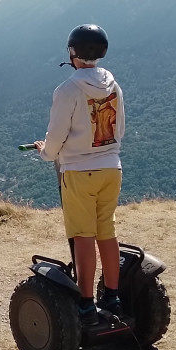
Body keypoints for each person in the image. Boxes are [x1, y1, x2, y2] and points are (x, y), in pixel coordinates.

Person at [34, 24, 125, 327]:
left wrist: (45, 151)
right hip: (111, 167)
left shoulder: (68, 90)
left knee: (83, 236)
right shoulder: (114, 86)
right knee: (106, 232)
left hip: (78, 169)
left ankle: (86, 303)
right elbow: (119, 129)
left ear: (73, 52)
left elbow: (56, 135)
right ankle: (112, 295)